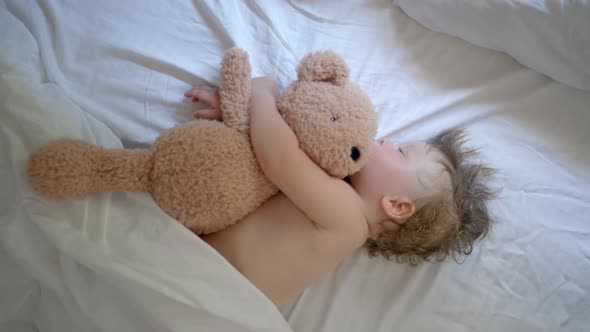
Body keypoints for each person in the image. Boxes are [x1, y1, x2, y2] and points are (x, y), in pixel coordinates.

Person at [184, 78, 496, 308]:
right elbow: (288, 141)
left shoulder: (347, 217)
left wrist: (261, 94)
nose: (385, 140)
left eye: (401, 152)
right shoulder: (340, 202)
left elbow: (279, 157)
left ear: (397, 206)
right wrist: (237, 110)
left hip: (212, 293)